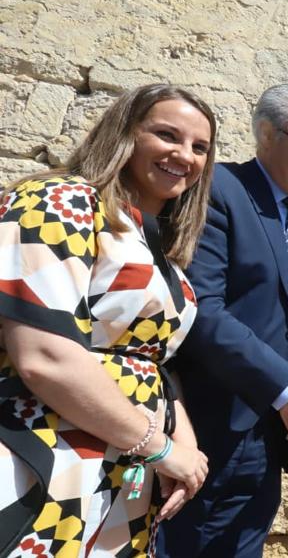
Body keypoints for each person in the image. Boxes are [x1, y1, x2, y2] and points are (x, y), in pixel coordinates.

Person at [0, 84, 214, 555]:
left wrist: (184, 446)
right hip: (44, 458)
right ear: (125, 135)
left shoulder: (152, 241)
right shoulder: (59, 202)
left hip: (123, 475)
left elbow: (151, 362)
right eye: (167, 135)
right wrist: (158, 446)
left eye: (200, 147)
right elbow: (44, 357)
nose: (185, 154)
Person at [159, 84, 288, 557]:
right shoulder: (219, 190)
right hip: (205, 430)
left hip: (270, 441)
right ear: (266, 135)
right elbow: (202, 308)